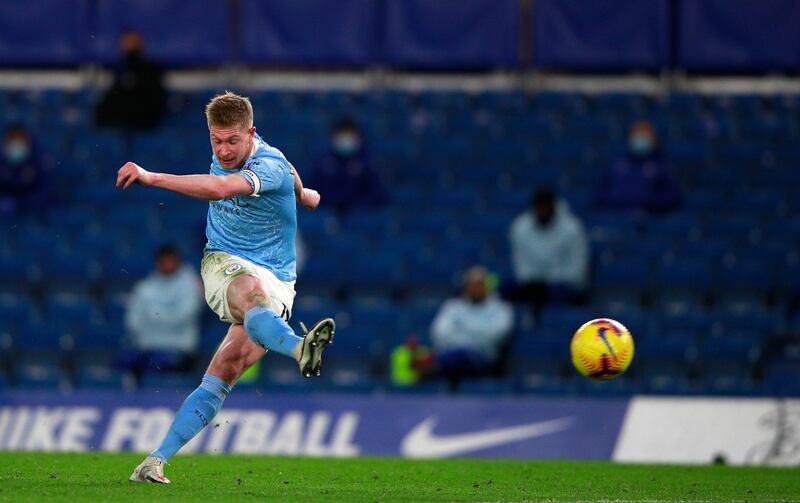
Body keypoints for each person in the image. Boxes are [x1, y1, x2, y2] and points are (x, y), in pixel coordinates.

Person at [116, 91, 334, 484]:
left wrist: (151, 177)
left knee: (224, 372)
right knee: (250, 293)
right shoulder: (248, 152)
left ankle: (153, 461)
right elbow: (284, 170)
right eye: (217, 141)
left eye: (233, 141)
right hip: (224, 261)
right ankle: (300, 348)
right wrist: (303, 194)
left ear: (252, 134)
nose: (225, 150)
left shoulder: (268, 164)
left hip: (280, 280)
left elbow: (227, 187)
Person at [121, 245, 203, 383]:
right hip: (147, 349)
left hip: (180, 350)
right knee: (124, 362)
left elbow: (183, 317)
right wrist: (165, 318)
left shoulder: (191, 286)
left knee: (159, 365)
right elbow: (133, 321)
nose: (167, 264)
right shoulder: (144, 287)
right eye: (163, 261)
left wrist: (152, 319)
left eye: (170, 260)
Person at [508, 189, 589, 316]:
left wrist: (549, 283)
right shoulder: (520, 227)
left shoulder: (572, 228)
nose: (543, 211)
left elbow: (577, 270)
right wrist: (535, 283)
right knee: (505, 289)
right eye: (539, 208)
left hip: (564, 285)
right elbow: (521, 268)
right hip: (532, 285)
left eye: (546, 207)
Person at [428, 266, 514, 388]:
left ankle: (432, 368)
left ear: (486, 286)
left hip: (483, 358)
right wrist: (475, 334)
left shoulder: (501, 308)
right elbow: (439, 333)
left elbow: (497, 335)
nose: (475, 289)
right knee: (456, 355)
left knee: (459, 356)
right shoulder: (453, 306)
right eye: (472, 285)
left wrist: (461, 331)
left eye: (479, 285)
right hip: (451, 352)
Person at [594, 121, 683, 213]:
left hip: (650, 218)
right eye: (637, 136)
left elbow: (673, 196)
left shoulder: (662, 166)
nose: (640, 140)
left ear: (653, 140)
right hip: (617, 217)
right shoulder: (618, 165)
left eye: (644, 136)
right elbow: (600, 194)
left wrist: (648, 200)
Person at [95, 30, 167, 131]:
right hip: (116, 123)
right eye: (126, 43)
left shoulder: (152, 71)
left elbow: (156, 102)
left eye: (133, 43)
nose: (129, 46)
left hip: (143, 123)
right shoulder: (117, 71)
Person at [309, 119, 385, 214]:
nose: (345, 140)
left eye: (349, 135)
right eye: (342, 135)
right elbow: (311, 191)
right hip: (327, 213)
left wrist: (356, 207)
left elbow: (377, 194)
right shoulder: (323, 162)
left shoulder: (368, 163)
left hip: (360, 214)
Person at [0, 126, 47, 216]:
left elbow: (45, 192)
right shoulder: (2, 164)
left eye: (20, 140)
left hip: (32, 213)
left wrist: (19, 204)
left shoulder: (38, 164)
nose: (16, 145)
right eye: (12, 140)